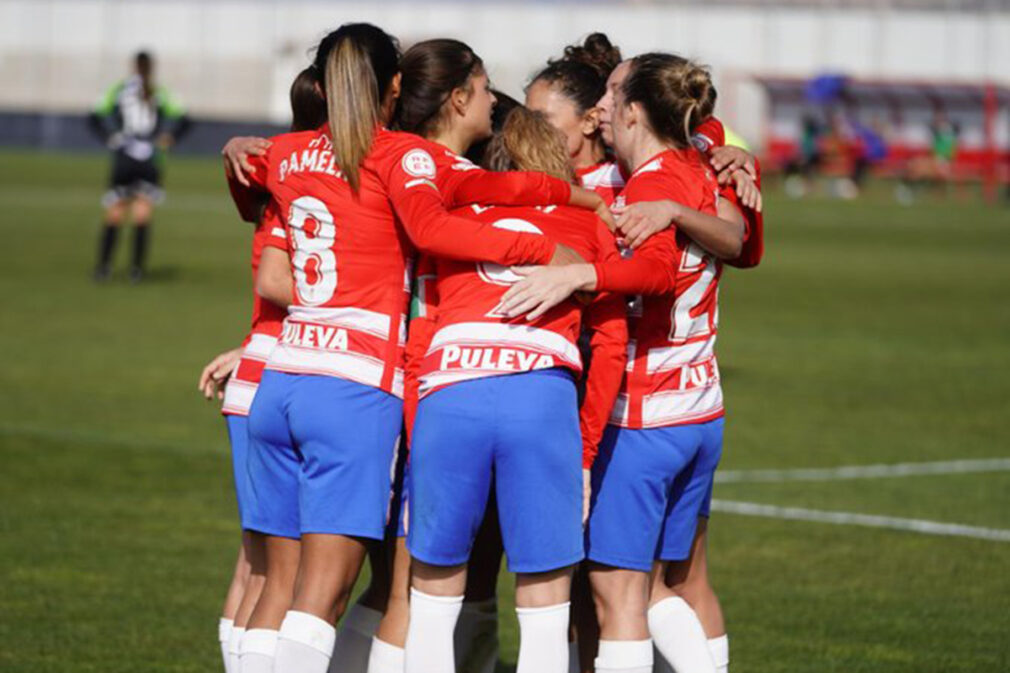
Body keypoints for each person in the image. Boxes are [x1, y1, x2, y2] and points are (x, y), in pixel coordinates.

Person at [220, 23, 600, 673]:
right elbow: (445, 214)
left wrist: (232, 149)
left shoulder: (283, 153)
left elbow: (250, 199)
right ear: (394, 86)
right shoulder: (402, 156)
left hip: (283, 373)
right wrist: (545, 241)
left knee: (276, 583)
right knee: (326, 593)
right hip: (356, 379)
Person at [499, 53, 741, 673]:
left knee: (618, 593)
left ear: (634, 110)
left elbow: (657, 273)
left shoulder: (653, 185)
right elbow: (741, 238)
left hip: (645, 414)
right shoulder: (692, 168)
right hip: (697, 408)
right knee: (663, 586)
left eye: (610, 93)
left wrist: (583, 272)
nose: (601, 106)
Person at [403, 105, 627, 673]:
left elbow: (419, 333)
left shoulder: (453, 213)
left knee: (431, 600)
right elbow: (610, 344)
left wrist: (413, 437)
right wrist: (587, 449)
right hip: (540, 394)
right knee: (545, 608)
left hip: (450, 391)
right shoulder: (589, 222)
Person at [199, 66, 325, 673]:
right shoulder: (302, 191)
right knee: (283, 568)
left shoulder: (280, 184)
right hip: (288, 374)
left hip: (266, 368)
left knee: (259, 562)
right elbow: (279, 283)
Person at [88, 50, 191, 282]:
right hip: (150, 157)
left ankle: (103, 268)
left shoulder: (120, 89)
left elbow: (94, 115)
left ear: (134, 66)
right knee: (142, 212)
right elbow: (184, 118)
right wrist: (168, 137)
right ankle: (136, 270)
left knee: (115, 210)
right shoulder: (160, 92)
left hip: (124, 156)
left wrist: (111, 137)